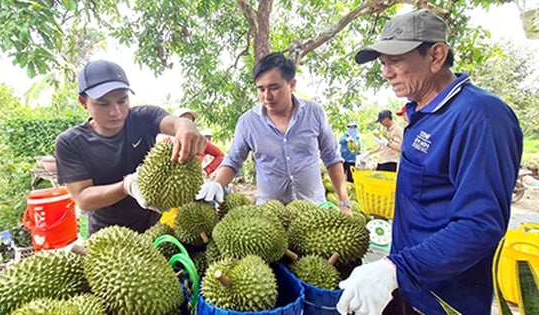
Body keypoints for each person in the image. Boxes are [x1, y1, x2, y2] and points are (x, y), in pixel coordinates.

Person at [336, 9, 523, 315]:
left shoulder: (480, 117)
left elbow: (480, 224)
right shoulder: (419, 113)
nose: (386, 73)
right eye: (383, 64)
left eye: (395, 61)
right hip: (407, 287)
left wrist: (398, 268)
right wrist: (393, 271)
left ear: (436, 55)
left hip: (445, 302)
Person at [55, 59, 206, 236]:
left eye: (122, 101)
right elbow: (83, 199)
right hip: (109, 237)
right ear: (83, 102)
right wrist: (126, 186)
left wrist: (185, 125)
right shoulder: (71, 142)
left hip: (156, 229)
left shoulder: (144, 117)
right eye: (104, 104)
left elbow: (174, 123)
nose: (116, 111)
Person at [195, 52, 352, 214]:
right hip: (270, 215)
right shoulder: (248, 122)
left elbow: (331, 157)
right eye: (261, 89)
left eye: (274, 88)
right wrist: (217, 183)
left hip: (314, 210)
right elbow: (234, 160)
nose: (267, 96)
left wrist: (344, 201)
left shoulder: (314, 113)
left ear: (292, 84)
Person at [173, 108, 225, 177]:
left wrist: (207, 170)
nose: (187, 123)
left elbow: (220, 155)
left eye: (190, 120)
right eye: (184, 120)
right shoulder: (167, 142)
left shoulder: (200, 141)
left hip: (195, 182)